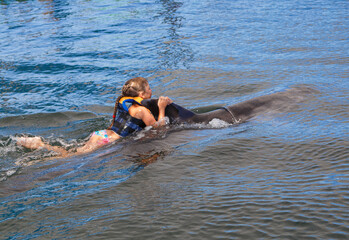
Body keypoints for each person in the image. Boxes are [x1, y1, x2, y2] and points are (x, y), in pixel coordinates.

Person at [17, 77, 173, 158]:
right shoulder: (142, 111)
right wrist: (161, 107)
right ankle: (40, 145)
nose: (151, 91)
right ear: (141, 95)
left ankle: (41, 145)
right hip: (108, 141)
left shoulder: (126, 103)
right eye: (149, 88)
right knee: (70, 158)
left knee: (74, 151)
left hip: (102, 134)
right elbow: (159, 128)